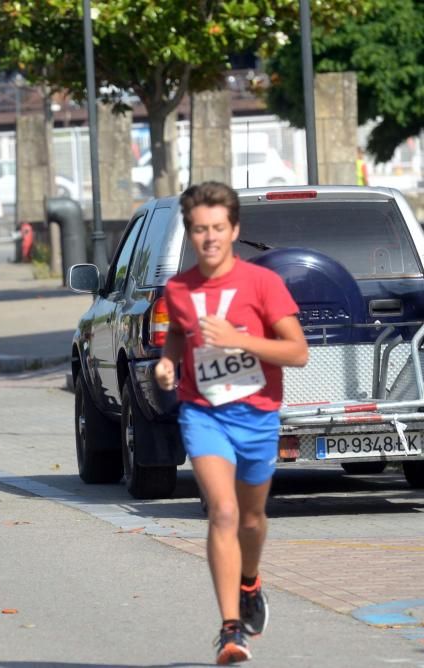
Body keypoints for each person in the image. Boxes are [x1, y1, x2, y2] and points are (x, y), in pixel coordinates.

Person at [154, 182, 308, 665]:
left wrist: (243, 343)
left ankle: (250, 581)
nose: (210, 238)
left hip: (257, 415)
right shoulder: (178, 289)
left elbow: (297, 352)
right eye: (200, 230)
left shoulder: (263, 284)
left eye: (218, 228)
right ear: (190, 233)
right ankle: (229, 630)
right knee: (220, 512)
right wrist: (167, 360)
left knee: (251, 519)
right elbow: (179, 331)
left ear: (234, 230)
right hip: (203, 412)